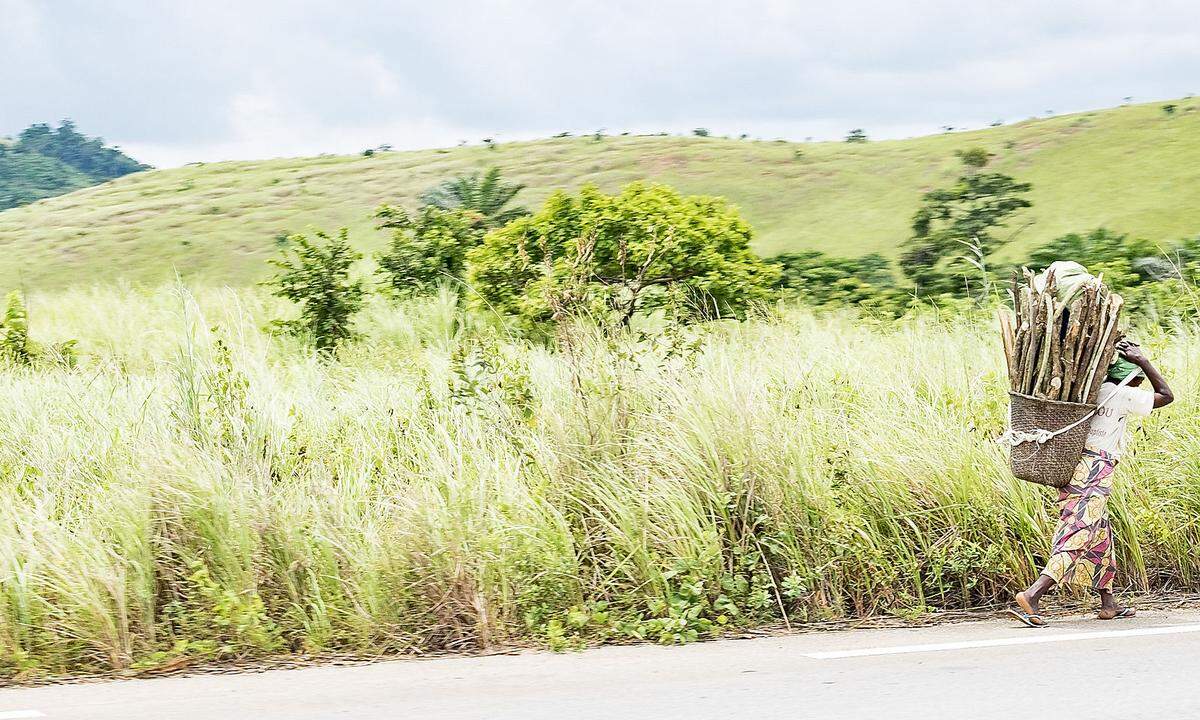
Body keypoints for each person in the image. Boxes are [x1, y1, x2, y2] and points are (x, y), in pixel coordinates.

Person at [1012, 339, 1173, 626]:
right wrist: (1144, 361)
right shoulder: (1122, 394)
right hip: (1095, 468)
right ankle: (1033, 594)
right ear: (1131, 377)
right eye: (1136, 379)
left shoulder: (1090, 391)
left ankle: (1108, 603)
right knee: (1080, 531)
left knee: (1099, 534)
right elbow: (1166, 394)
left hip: (1072, 466)